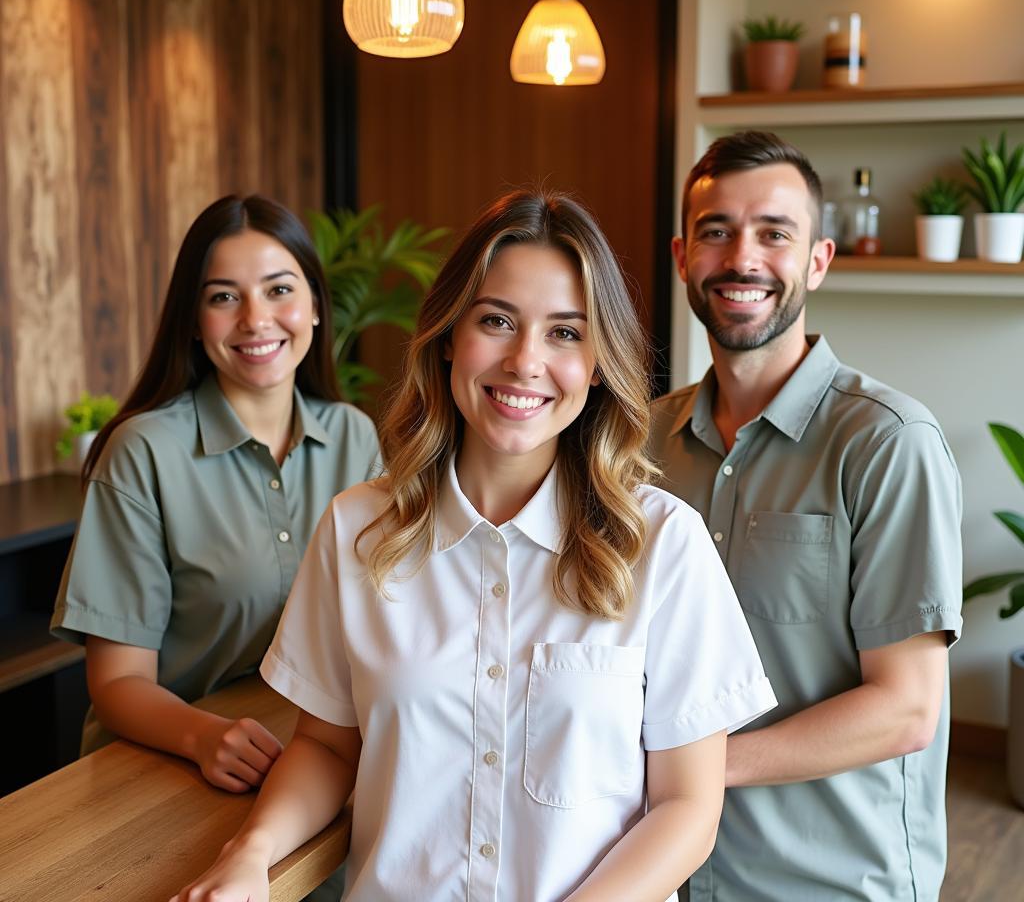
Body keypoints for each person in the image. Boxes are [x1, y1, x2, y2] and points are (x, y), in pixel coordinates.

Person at [172, 190, 776, 902]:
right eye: (496, 321)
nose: (525, 361)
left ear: (599, 362)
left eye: (565, 333)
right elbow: (327, 746)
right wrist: (252, 853)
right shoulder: (356, 530)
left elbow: (688, 807)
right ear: (449, 335)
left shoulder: (665, 544)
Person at [650, 131, 963, 902]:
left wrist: (693, 773)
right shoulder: (638, 439)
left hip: (827, 880)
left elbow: (905, 710)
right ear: (682, 256)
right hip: (667, 870)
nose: (741, 258)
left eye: (773, 233)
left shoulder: (888, 442)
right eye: (716, 231)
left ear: (817, 261)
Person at [51, 194, 381, 793]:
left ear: (313, 305)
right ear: (196, 323)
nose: (255, 319)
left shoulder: (353, 437)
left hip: (313, 756)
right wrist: (203, 737)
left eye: (279, 290)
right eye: (224, 296)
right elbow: (118, 682)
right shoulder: (143, 450)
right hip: (162, 767)